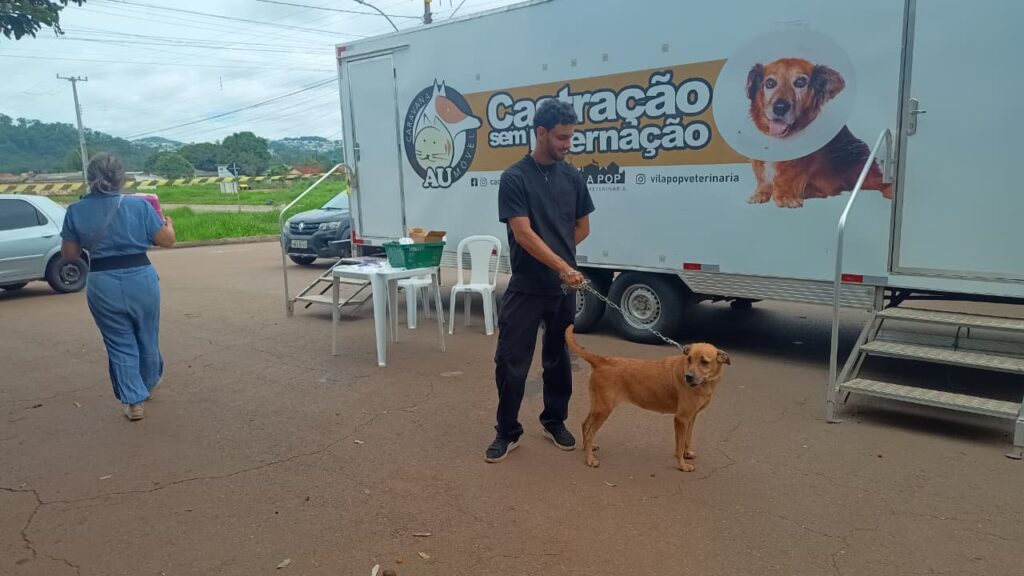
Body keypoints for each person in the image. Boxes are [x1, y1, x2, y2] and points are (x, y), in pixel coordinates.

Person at [486, 99, 595, 463]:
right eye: (562, 138)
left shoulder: (572, 177)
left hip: (562, 289)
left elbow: (583, 226)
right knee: (511, 362)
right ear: (541, 133)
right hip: (526, 287)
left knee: (558, 360)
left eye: (571, 138)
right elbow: (523, 233)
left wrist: (562, 264)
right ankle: (507, 431)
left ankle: (553, 421)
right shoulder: (515, 178)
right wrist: (561, 265)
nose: (568, 145)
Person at [60, 153, 176, 421]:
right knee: (147, 334)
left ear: (90, 179)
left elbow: (69, 254)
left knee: (119, 342)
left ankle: (134, 403)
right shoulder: (140, 206)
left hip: (103, 281)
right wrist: (169, 224)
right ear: (121, 178)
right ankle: (148, 383)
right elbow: (167, 241)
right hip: (141, 278)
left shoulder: (76, 210)